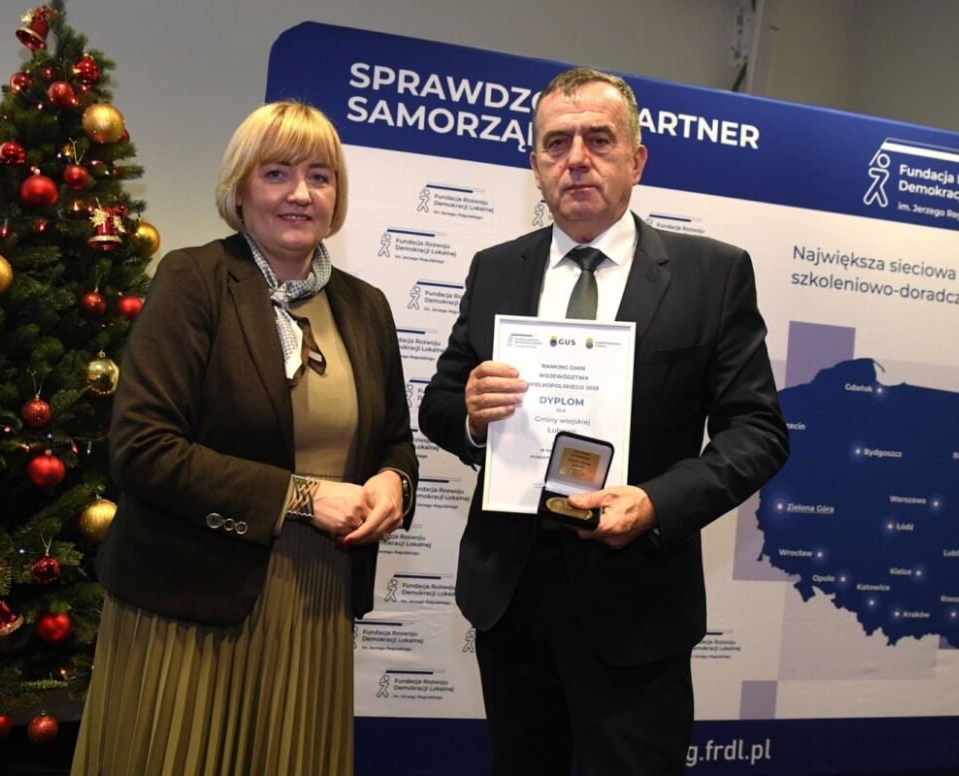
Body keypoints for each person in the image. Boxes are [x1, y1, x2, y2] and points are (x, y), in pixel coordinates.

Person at [418, 67, 789, 775]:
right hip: (511, 600)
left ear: (636, 160)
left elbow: (757, 432)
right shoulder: (495, 270)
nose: (577, 159)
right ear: (535, 165)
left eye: (599, 139)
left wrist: (655, 502)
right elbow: (439, 402)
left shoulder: (711, 275)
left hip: (637, 605)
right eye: (556, 143)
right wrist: (471, 416)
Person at [72, 101, 417, 775]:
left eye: (320, 176)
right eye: (276, 173)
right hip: (191, 600)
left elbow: (395, 441)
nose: (300, 194)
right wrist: (302, 496)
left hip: (317, 597)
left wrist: (392, 481)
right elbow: (142, 449)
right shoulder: (194, 279)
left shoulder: (365, 306)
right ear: (240, 189)